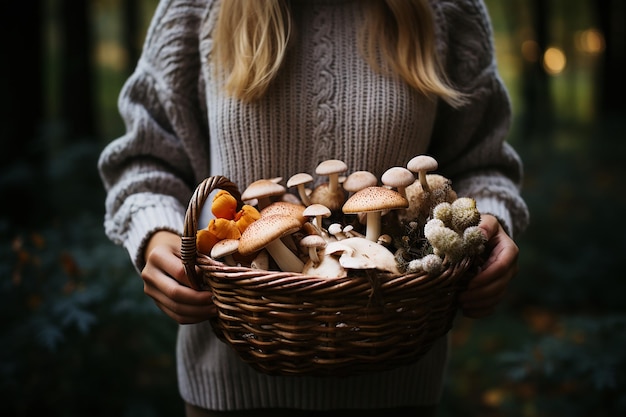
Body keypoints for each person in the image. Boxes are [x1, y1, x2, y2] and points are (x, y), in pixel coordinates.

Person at [98, 0, 529, 415]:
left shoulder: (447, 8)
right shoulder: (196, 6)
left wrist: (488, 224)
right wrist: (158, 234)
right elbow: (143, 160)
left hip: (397, 377)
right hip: (231, 379)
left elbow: (483, 164)